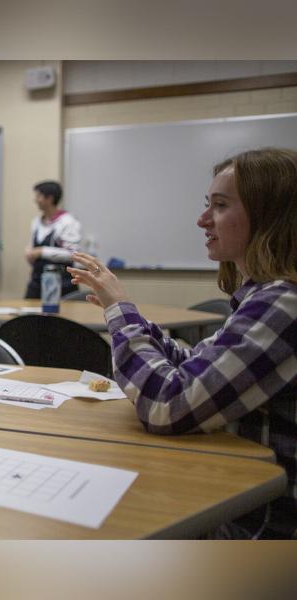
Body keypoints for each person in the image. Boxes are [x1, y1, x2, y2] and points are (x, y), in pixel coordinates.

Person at [68, 148, 297, 539]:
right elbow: (194, 365)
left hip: (256, 526)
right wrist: (130, 316)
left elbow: (168, 404)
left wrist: (122, 313)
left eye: (220, 206)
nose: (202, 220)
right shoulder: (263, 297)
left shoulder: (284, 304)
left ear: (269, 215)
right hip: (234, 499)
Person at [24, 180, 82, 299]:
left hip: (62, 285)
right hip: (37, 283)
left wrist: (41, 251)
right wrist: (29, 252)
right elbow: (33, 247)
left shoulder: (68, 222)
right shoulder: (36, 222)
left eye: (38, 196)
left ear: (49, 198)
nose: (35, 200)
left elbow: (73, 254)